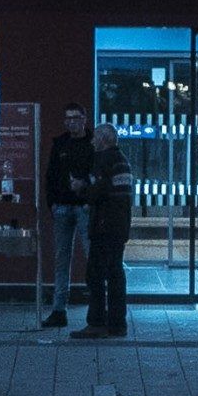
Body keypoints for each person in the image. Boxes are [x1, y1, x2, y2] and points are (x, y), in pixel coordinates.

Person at [38, 105, 98, 332]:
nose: (71, 122)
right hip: (63, 205)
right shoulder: (60, 143)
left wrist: (86, 190)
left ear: (84, 119)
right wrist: (52, 203)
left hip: (83, 206)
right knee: (62, 258)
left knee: (91, 257)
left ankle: (96, 308)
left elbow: (98, 173)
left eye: (75, 118)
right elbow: (51, 175)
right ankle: (59, 309)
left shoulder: (93, 143)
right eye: (67, 118)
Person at [77, 119, 135, 339]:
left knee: (95, 274)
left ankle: (97, 322)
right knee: (116, 274)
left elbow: (96, 193)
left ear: (102, 139)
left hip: (104, 226)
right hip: (120, 225)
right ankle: (117, 323)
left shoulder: (104, 161)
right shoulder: (123, 161)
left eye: (95, 137)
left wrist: (81, 188)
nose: (91, 141)